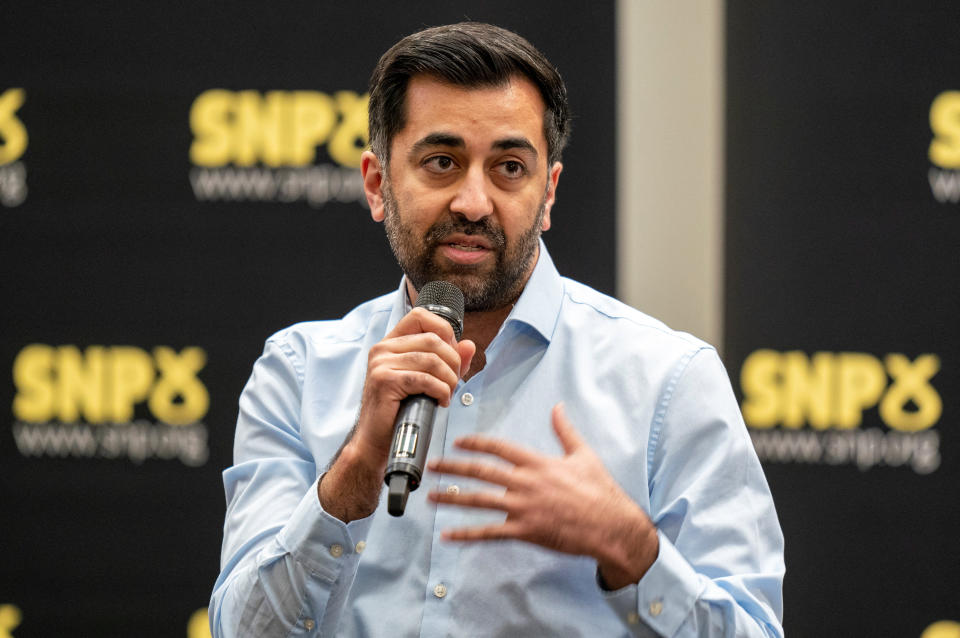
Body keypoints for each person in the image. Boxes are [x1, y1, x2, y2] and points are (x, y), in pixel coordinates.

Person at [210, 22, 784, 637]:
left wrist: (634, 552)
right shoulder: (298, 373)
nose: (474, 202)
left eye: (509, 167)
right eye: (441, 162)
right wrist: (353, 472)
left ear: (549, 194)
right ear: (377, 185)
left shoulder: (669, 381)